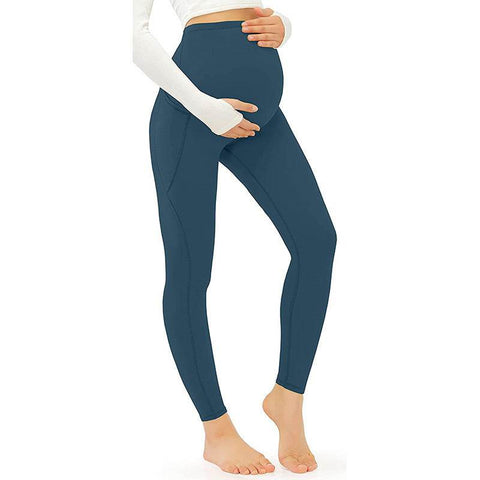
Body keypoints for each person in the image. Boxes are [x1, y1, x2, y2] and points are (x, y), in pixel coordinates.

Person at [133, 1, 337, 474]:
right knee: (190, 272)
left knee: (316, 241)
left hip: (261, 119)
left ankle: (287, 398)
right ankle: (218, 433)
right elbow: (137, 40)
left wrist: (284, 26)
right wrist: (206, 108)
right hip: (190, 112)